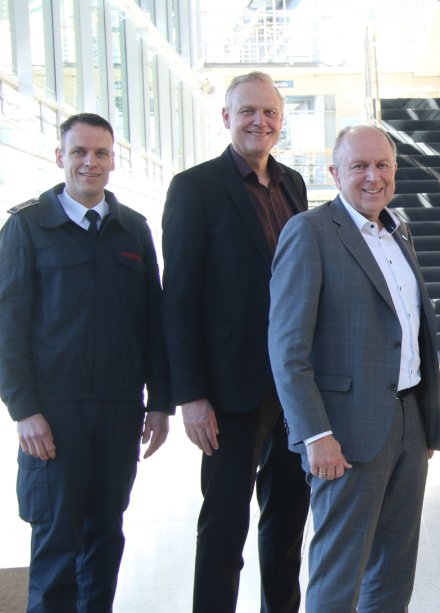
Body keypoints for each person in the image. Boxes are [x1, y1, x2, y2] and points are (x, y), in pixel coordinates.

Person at [268, 124, 440, 611]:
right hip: (343, 433)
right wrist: (314, 434)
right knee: (338, 572)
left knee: (394, 570)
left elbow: (412, 331)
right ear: (334, 173)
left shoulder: (398, 230)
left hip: (407, 421)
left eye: (383, 165)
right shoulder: (310, 232)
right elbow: (288, 348)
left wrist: (425, 424)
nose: (373, 177)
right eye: (359, 166)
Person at [0, 113, 171, 611]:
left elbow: (152, 323)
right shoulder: (27, 227)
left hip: (119, 411)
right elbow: (8, 325)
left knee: (105, 539)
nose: (90, 162)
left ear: (113, 160)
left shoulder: (133, 229)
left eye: (100, 153)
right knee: (56, 544)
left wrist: (159, 402)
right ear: (60, 157)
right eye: (79, 152)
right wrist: (24, 409)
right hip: (54, 414)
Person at [161, 72, 310, 613]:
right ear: (227, 118)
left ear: (280, 119)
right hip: (227, 389)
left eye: (269, 112)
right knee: (224, 526)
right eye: (248, 111)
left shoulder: (293, 184)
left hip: (294, 385)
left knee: (288, 523)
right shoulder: (194, 187)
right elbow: (177, 298)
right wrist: (191, 395)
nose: (259, 122)